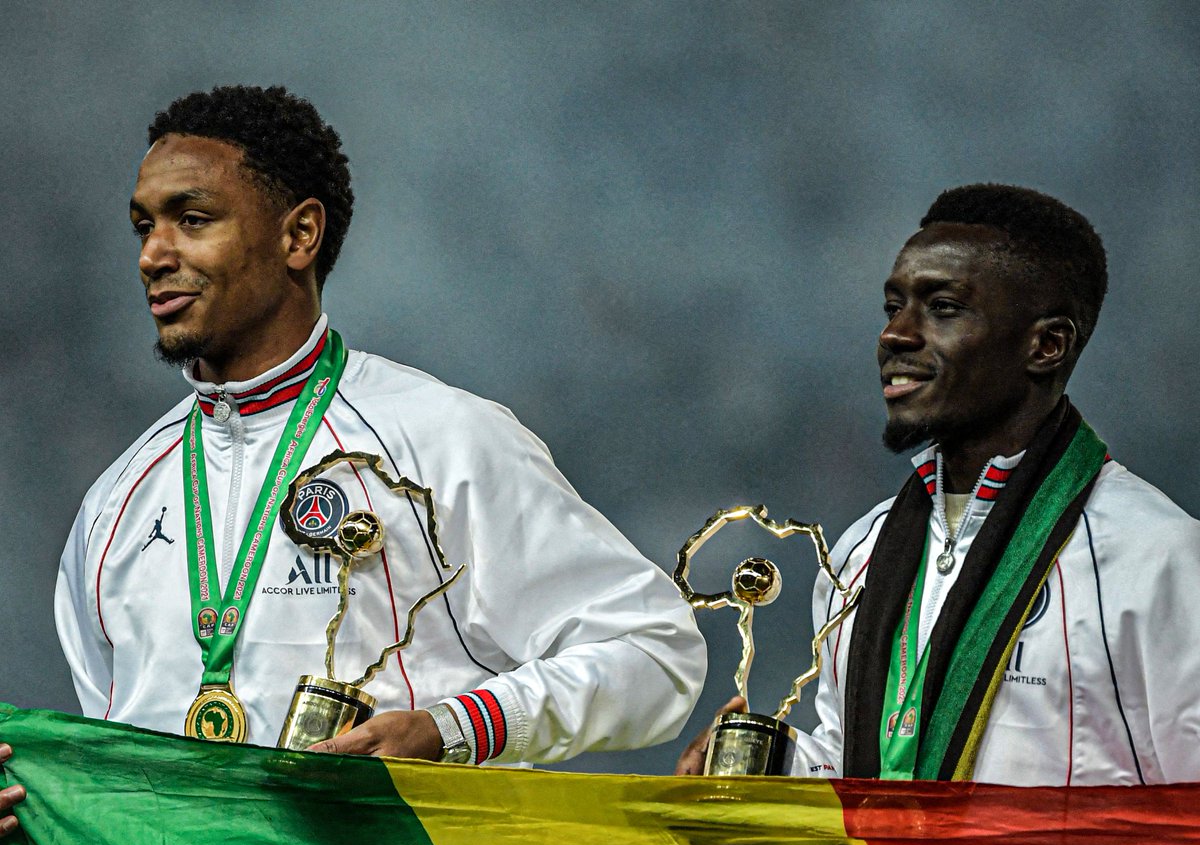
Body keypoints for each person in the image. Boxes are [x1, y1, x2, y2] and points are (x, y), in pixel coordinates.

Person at [27, 83, 705, 785]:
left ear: (299, 235)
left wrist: (455, 729)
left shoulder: (443, 441)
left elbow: (652, 650)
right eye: (144, 228)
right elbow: (109, 792)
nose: (152, 256)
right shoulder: (114, 504)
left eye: (192, 220)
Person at [679, 183, 1200, 785]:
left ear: (1046, 345)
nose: (895, 334)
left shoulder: (1156, 558)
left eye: (943, 308)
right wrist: (777, 768)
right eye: (892, 307)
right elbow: (865, 773)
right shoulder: (860, 551)